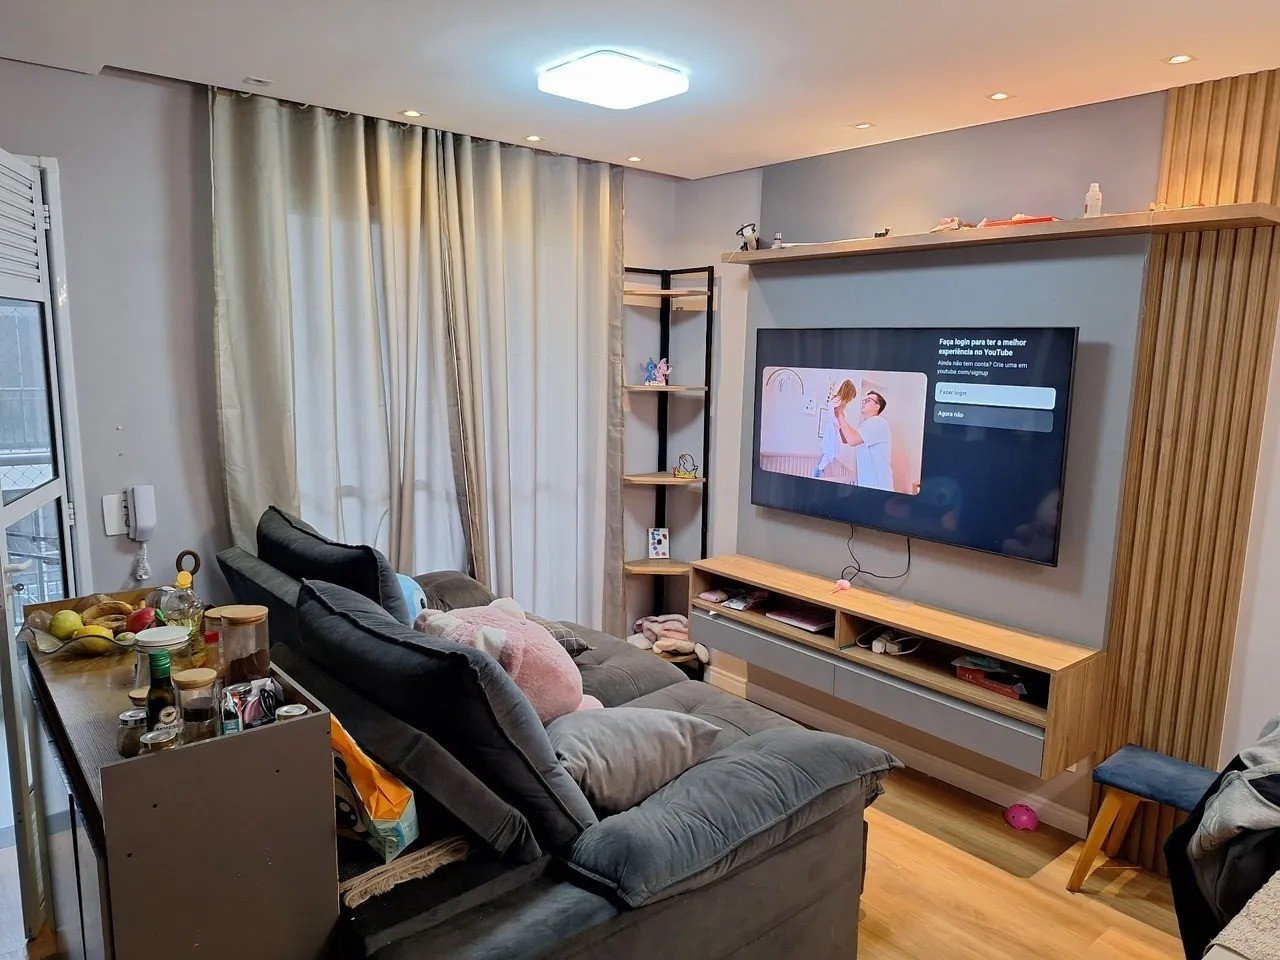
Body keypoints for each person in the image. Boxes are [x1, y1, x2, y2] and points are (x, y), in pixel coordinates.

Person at [835, 390, 895, 492]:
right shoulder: (865, 426)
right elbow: (846, 439)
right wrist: (840, 419)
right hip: (869, 485)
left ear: (877, 406)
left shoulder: (879, 422)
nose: (864, 402)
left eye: (868, 400)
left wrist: (840, 414)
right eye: (864, 400)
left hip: (879, 486)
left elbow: (852, 440)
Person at [814, 379, 856, 477]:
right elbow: (836, 416)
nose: (850, 400)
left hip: (831, 428)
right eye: (851, 397)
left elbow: (834, 415)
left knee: (829, 452)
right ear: (848, 393)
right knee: (830, 453)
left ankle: (820, 467)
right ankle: (819, 468)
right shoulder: (839, 401)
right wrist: (841, 421)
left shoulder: (836, 400)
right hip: (832, 429)